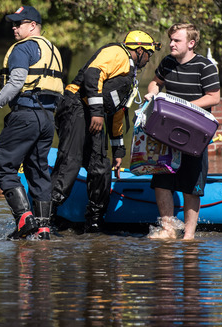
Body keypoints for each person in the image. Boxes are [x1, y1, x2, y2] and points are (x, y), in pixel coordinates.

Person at [50, 30, 158, 232]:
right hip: (76, 107)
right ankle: (44, 218)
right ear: (140, 50)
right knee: (70, 161)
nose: (149, 59)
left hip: (93, 113)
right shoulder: (117, 53)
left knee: (100, 167)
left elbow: (118, 111)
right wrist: (97, 112)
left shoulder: (130, 72)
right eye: (149, 54)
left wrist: (118, 151)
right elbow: (93, 74)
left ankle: (94, 222)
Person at [0, 6, 65, 240]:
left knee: (5, 166)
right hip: (46, 118)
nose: (14, 28)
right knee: (38, 171)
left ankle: (25, 219)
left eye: (18, 24)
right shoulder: (51, 48)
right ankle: (43, 228)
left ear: (32, 26)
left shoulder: (23, 48)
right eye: (12, 24)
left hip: (25, 114)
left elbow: (15, 83)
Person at [143, 23, 221, 240]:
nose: (171, 44)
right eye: (171, 40)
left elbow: (214, 97)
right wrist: (153, 94)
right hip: (166, 131)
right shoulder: (167, 62)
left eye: (177, 40)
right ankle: (168, 230)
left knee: (191, 186)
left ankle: (188, 236)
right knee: (161, 181)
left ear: (191, 43)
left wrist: (184, 108)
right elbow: (154, 83)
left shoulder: (205, 66)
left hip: (194, 134)